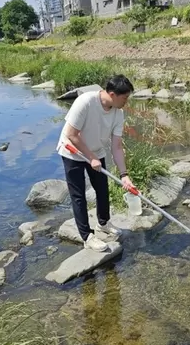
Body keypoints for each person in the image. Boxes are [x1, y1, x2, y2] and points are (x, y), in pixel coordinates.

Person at [57, 74, 136, 252]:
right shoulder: (86, 101)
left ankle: (103, 224)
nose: (126, 102)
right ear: (112, 94)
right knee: (78, 195)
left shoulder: (118, 113)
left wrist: (124, 175)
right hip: (73, 151)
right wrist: (90, 157)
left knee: (102, 189)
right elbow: (71, 134)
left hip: (96, 151)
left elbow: (116, 146)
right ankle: (87, 236)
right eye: (125, 98)